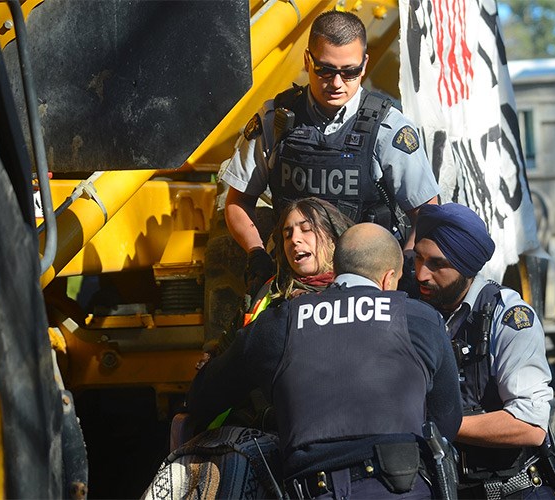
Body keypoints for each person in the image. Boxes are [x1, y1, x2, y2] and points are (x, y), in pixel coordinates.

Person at [187, 223, 462, 498]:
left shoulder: (279, 323)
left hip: (316, 489)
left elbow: (204, 396)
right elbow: (446, 421)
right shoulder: (422, 320)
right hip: (404, 486)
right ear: (388, 279)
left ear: (337, 268)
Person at [220, 9, 440, 298]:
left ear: (364, 65)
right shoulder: (276, 120)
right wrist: (256, 253)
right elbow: (238, 201)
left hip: (367, 289)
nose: (337, 83)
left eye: (349, 72)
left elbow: (427, 211)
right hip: (292, 286)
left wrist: (405, 265)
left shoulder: (388, 128)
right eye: (325, 69)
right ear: (307, 60)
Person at [413, 203, 555, 499]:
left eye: (437, 264)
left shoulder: (509, 318)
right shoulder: (412, 308)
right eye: (418, 259)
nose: (422, 275)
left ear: (467, 267)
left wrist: (436, 426)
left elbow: (530, 425)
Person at [243, 197, 355, 326]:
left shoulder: (360, 294)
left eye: (306, 229)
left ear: (333, 238)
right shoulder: (268, 292)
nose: (295, 239)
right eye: (287, 235)